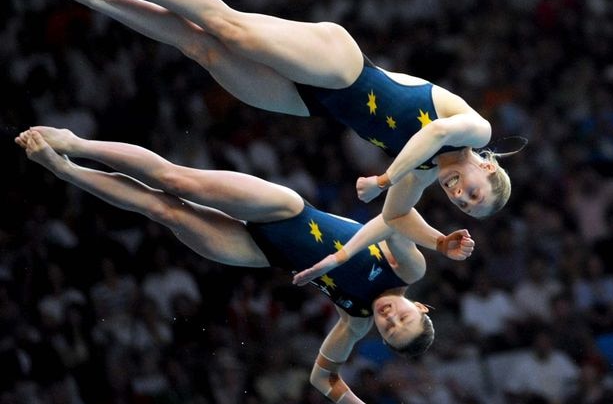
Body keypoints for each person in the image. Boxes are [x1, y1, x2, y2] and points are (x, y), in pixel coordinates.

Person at [48, 0, 512, 259]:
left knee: (201, 49)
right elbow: (432, 133)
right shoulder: (478, 131)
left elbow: (394, 216)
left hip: (313, 103)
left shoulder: (424, 174)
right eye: (473, 192)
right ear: (487, 169)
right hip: (343, 68)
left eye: (463, 208)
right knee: (228, 29)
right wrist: (388, 178)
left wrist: (438, 241)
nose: (459, 197)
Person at [15, 126, 474, 403]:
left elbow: (322, 378)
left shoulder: (354, 322)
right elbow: (396, 214)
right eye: (404, 318)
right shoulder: (409, 272)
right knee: (177, 181)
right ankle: (76, 143)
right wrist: (437, 241)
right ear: (422, 308)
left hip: (260, 253)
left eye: (390, 331)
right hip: (287, 212)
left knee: (163, 210)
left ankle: (65, 170)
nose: (390, 318)